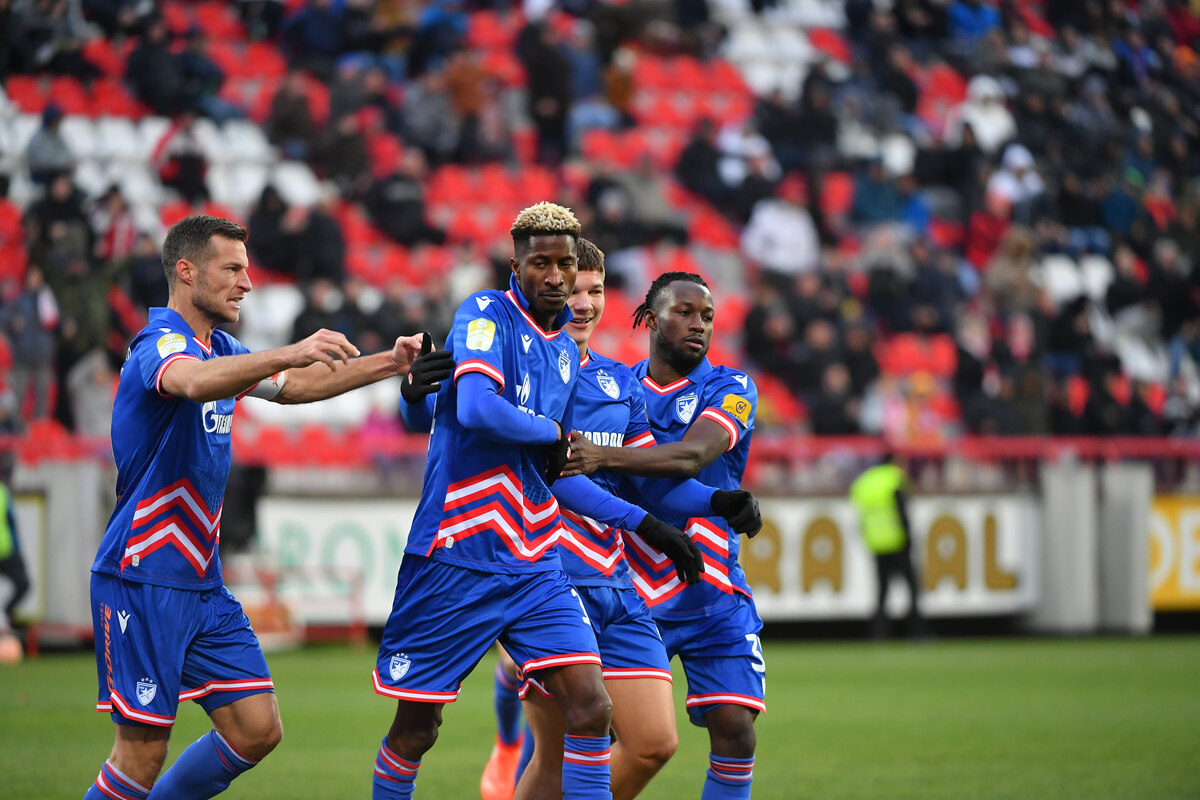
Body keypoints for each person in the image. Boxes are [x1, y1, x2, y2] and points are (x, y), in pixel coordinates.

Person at [82, 215, 443, 800]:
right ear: (186, 270)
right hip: (142, 576)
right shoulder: (162, 345)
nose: (246, 283)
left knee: (255, 729)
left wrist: (388, 363)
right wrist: (290, 350)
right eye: (232, 269)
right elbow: (194, 383)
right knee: (141, 755)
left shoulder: (219, 345)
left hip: (201, 583)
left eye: (247, 270)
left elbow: (295, 388)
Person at [372, 204, 703, 800]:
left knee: (591, 708)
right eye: (543, 263)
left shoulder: (563, 353)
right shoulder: (485, 312)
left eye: (567, 266)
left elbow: (554, 473)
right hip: (457, 551)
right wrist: (416, 400)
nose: (557, 277)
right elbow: (472, 409)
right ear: (516, 263)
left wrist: (645, 522)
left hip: (534, 561)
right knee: (417, 728)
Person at [459, 241, 761, 800]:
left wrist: (714, 504)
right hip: (548, 575)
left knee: (654, 742)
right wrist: (410, 393)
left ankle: (510, 707)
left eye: (595, 291)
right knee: (560, 746)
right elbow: (541, 468)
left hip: (622, 579)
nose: (584, 303)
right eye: (573, 290)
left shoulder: (617, 385)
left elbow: (657, 480)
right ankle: (506, 719)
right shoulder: (526, 372)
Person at [563, 272, 766, 799]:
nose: (699, 325)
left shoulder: (732, 387)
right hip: (632, 587)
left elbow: (692, 457)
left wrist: (603, 454)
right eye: (685, 312)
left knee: (736, 731)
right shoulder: (617, 389)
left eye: (707, 317)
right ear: (651, 319)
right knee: (593, 732)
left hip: (712, 586)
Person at [848, 453, 928, 639]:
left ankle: (879, 634)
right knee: (913, 589)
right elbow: (902, 512)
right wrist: (909, 538)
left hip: (876, 543)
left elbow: (860, 514)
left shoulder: (865, 482)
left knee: (882, 593)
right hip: (897, 541)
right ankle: (917, 632)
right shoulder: (894, 479)